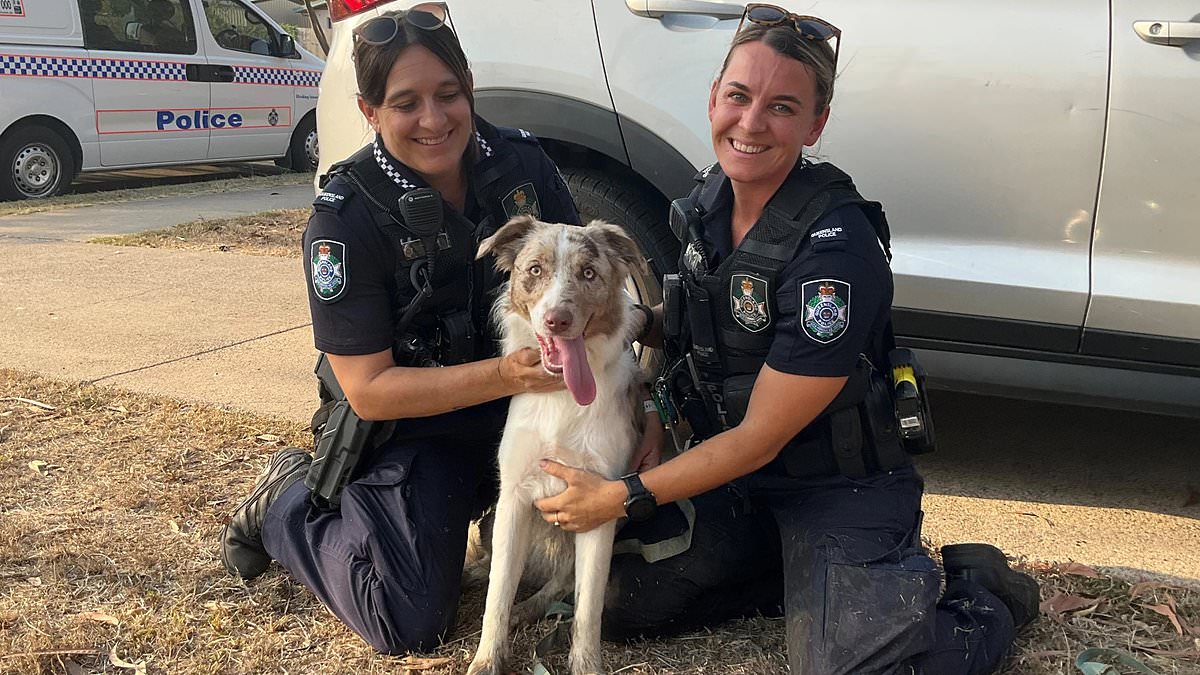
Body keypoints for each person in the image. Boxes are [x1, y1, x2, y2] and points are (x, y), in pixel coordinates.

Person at [532, 5, 1040, 674]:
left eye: (781, 107)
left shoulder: (836, 251)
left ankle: (983, 595)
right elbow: (686, 330)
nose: (749, 122)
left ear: (815, 124)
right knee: (622, 601)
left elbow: (761, 435)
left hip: (835, 486)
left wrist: (625, 492)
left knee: (851, 668)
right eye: (738, 96)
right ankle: (798, 577)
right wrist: (639, 387)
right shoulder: (709, 201)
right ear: (713, 96)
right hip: (737, 483)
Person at [217, 3, 587, 654]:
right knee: (408, 619)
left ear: (469, 86)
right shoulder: (346, 217)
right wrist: (505, 373)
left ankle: (498, 517)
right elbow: (369, 389)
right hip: (417, 431)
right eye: (405, 102)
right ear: (369, 111)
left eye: (448, 94)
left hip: (527, 410)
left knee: (639, 538)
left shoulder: (523, 167)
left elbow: (586, 282)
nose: (434, 119)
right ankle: (284, 502)